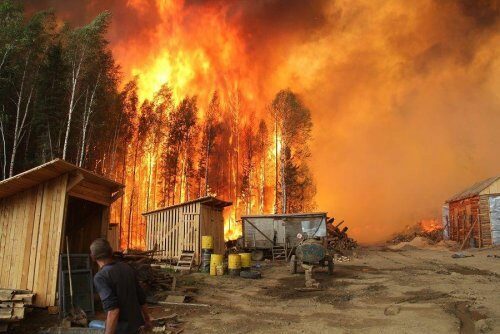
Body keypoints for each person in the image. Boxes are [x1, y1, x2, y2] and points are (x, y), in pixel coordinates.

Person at [90, 238, 152, 334]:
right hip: (136, 328)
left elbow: (113, 310)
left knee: (93, 324)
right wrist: (147, 321)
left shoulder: (101, 277)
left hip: (121, 330)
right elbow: (141, 298)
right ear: (111, 252)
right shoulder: (126, 267)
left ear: (93, 257)